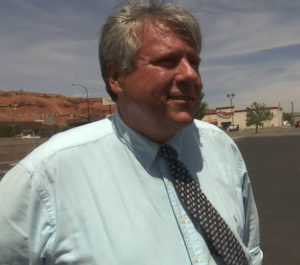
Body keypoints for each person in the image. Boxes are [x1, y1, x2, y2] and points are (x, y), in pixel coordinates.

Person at [0, 1, 263, 264]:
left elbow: (249, 251)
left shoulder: (220, 147)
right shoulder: (45, 177)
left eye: (194, 62)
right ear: (116, 76)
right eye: (167, 61)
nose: (191, 75)